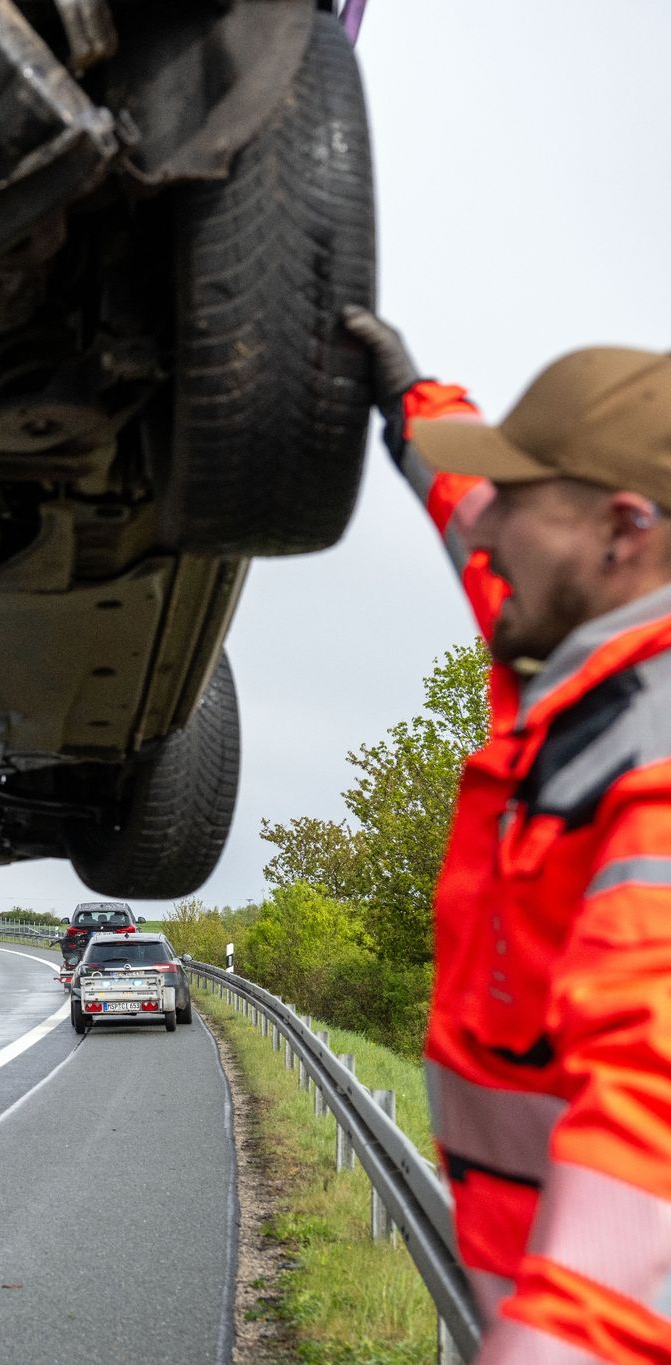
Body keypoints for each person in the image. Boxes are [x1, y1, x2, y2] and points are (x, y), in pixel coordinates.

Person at [346, 307, 671, 1363]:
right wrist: (407, 400)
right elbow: (466, 508)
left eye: (516, 505)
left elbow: (650, 1108)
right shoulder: (574, 639)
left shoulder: (653, 755)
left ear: (622, 529)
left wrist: (550, 1343)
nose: (480, 535)